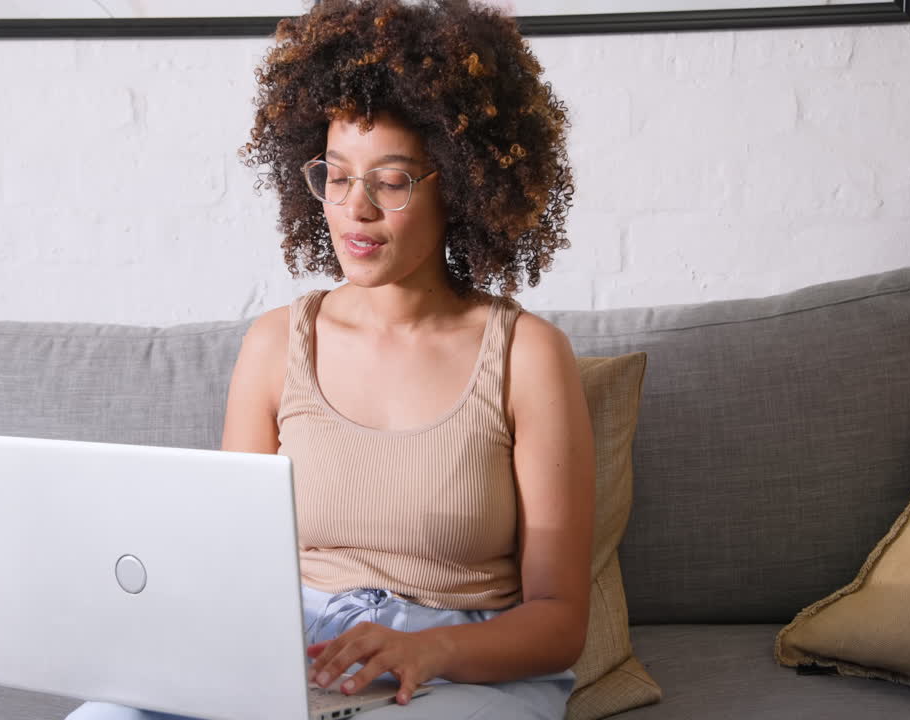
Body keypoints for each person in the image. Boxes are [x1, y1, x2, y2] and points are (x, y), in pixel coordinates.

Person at [66, 1, 593, 718]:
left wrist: (426, 651)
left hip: (461, 664)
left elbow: (560, 621)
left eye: (393, 179)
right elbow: (231, 568)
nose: (356, 209)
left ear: (462, 185)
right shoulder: (274, 344)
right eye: (337, 176)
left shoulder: (528, 355)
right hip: (295, 647)